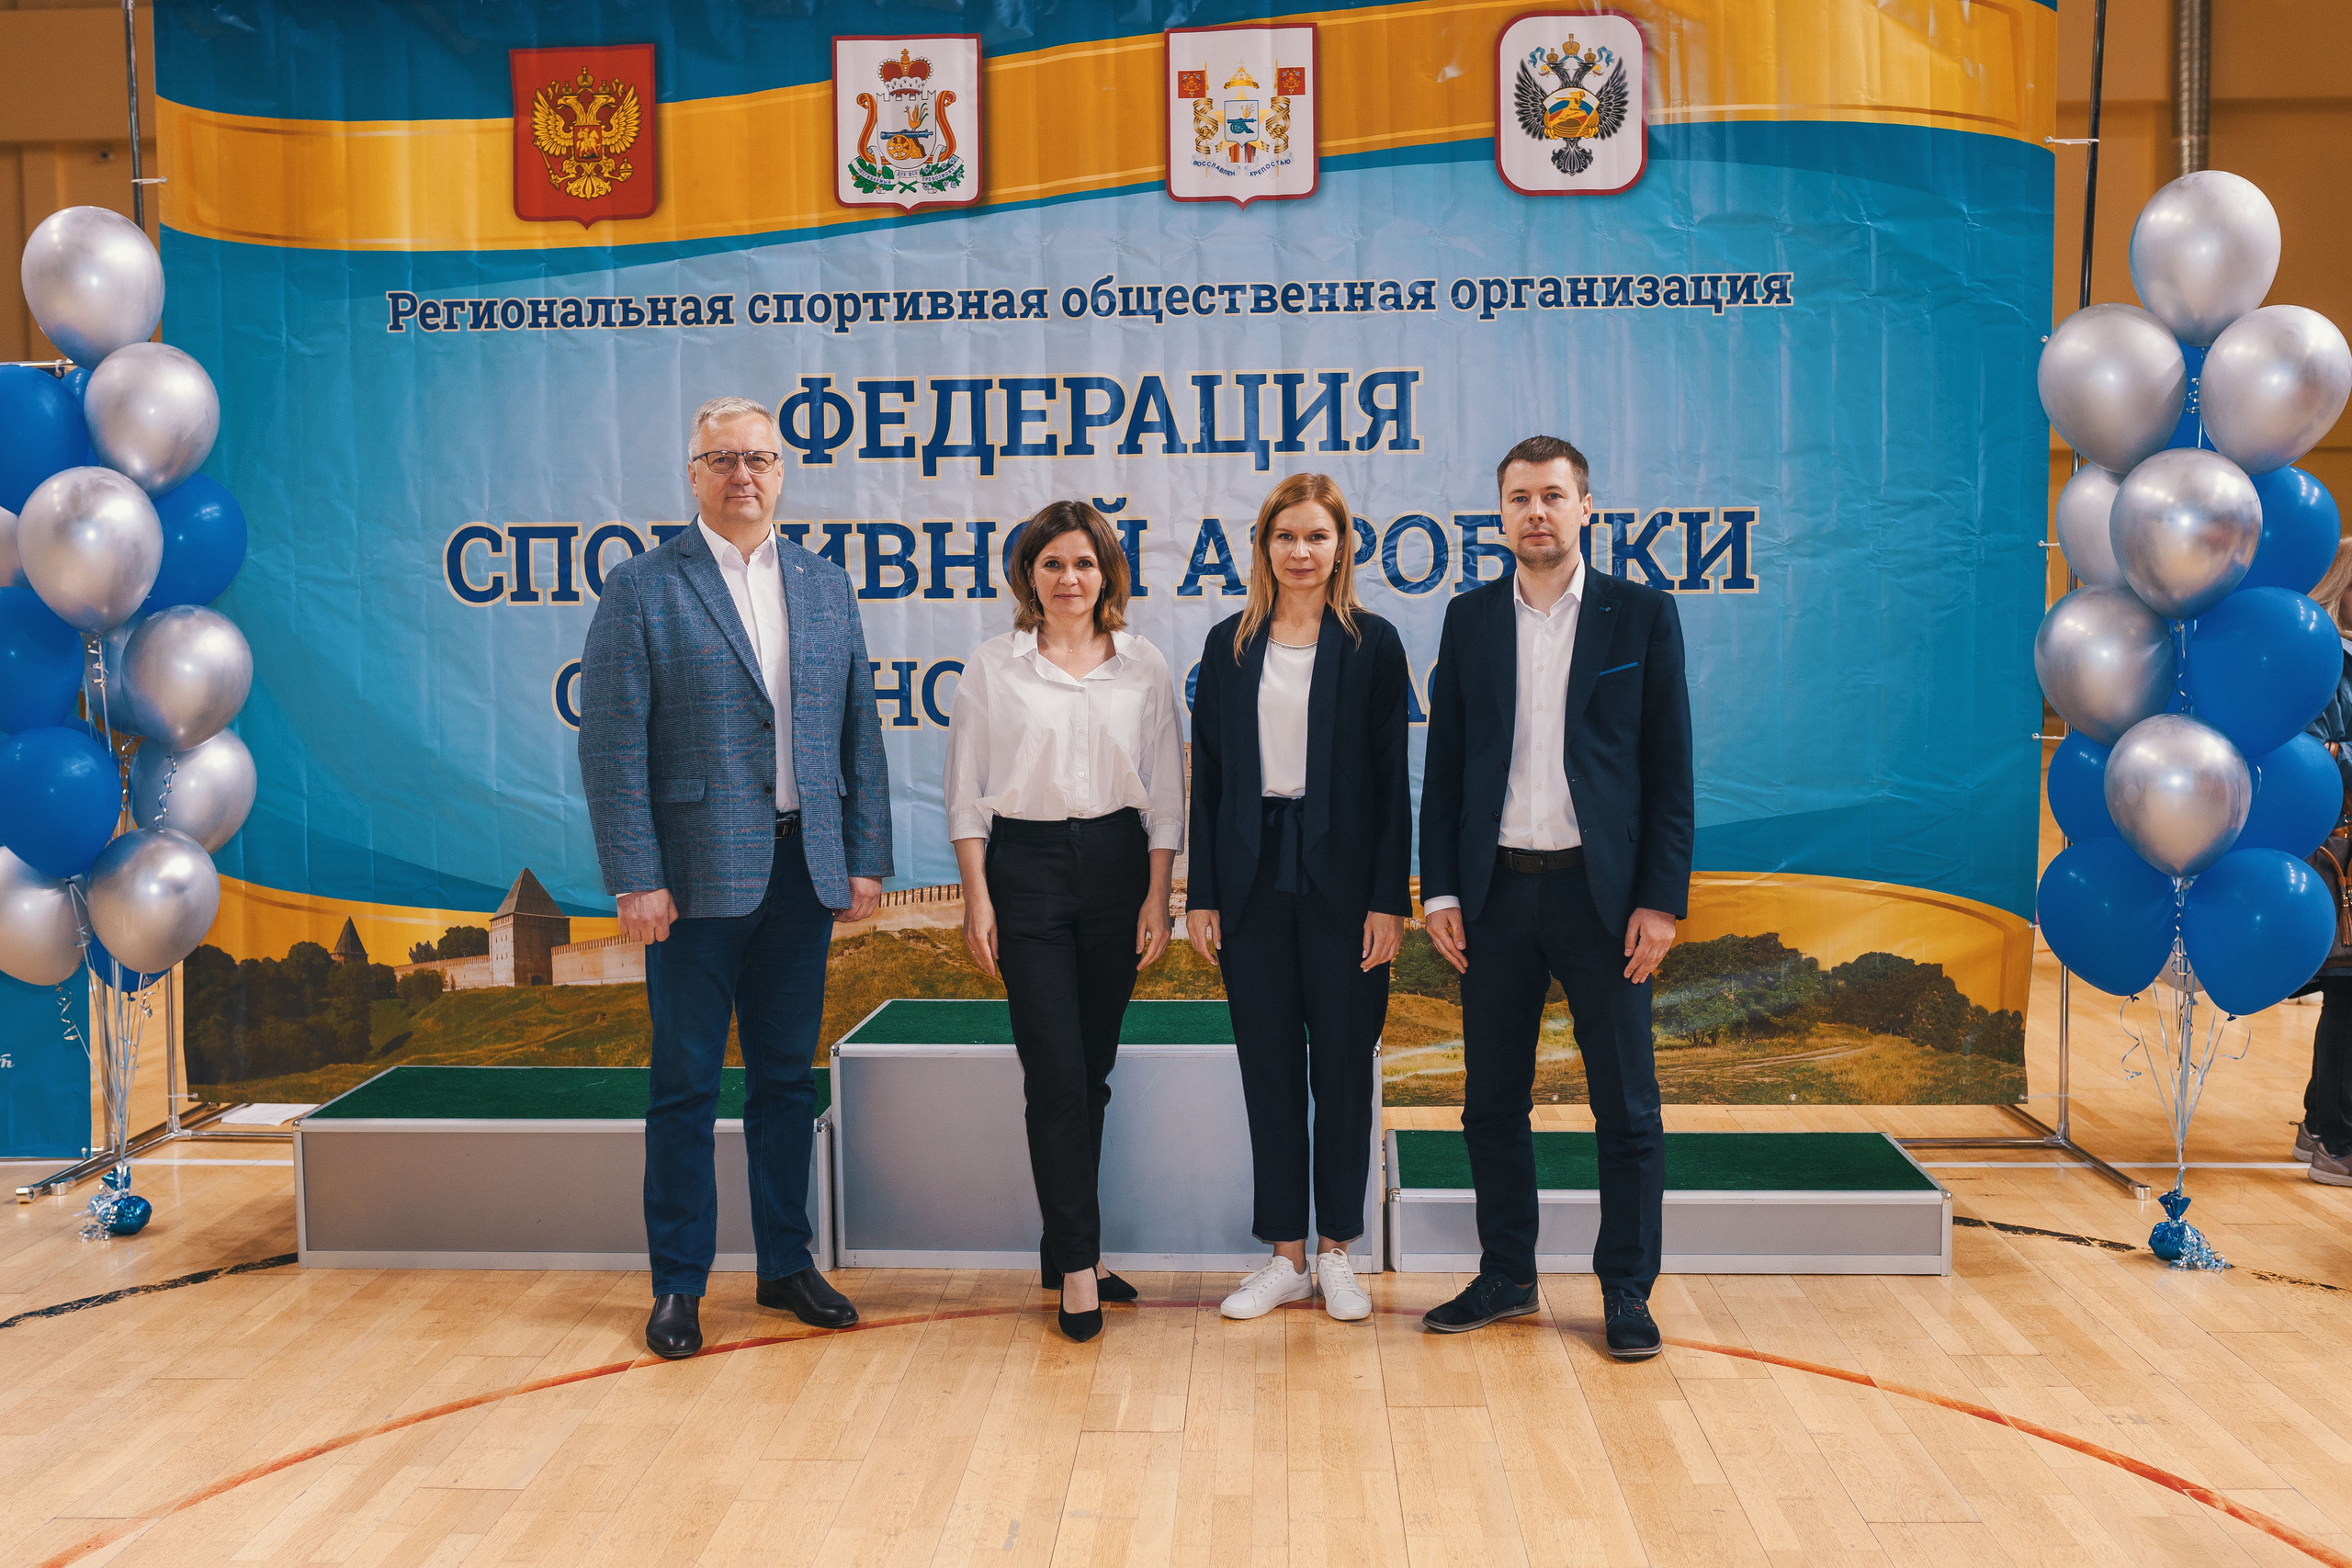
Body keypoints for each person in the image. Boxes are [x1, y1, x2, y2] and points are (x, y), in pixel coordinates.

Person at [580, 395, 892, 1360]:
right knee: (682, 1087)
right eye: (721, 459)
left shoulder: (825, 585)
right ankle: (679, 1286)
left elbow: (858, 734)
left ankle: (786, 1265)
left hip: (805, 871)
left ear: (782, 471)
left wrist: (867, 858)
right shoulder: (641, 587)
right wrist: (636, 875)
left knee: (786, 1085)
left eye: (757, 457)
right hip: (691, 882)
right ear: (692, 473)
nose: (741, 475)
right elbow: (612, 745)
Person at [1417, 434, 1693, 1358]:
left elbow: (1669, 772)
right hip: (1494, 897)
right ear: (1498, 516)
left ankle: (1626, 1289)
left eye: (1552, 496)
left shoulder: (1641, 617)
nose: (1535, 512)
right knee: (1490, 1102)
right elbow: (1446, 769)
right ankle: (1506, 1276)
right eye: (1518, 498)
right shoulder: (1468, 621)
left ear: (1587, 509)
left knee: (1626, 1106)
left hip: (1602, 900)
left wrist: (1659, 900)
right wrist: (1441, 889)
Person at [943, 500, 1184, 1342]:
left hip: (1120, 870)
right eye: (1052, 564)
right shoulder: (992, 666)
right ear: (1028, 576)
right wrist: (979, 896)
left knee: (1091, 1072)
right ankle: (1078, 1268)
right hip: (1027, 871)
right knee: (1053, 1069)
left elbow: (1165, 791)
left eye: (1084, 563)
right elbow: (967, 792)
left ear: (1107, 573)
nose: (1069, 579)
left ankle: (1068, 1244)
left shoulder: (1145, 666)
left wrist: (1159, 895)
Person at [1186, 473, 1411, 1324]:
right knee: (1269, 1070)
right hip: (1249, 884)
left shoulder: (1375, 644)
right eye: (1286, 537)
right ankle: (1284, 1254)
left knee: (1345, 1070)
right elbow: (1208, 775)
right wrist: (1202, 893)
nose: (1302, 552)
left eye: (1318, 536)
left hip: (1347, 889)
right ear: (1263, 546)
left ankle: (1338, 1251)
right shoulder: (1228, 644)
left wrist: (1389, 900)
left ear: (1342, 545)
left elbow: (1393, 785)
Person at [2296, 539, 2352, 1188]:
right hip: (2337, 848)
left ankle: (2321, 1122)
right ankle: (2338, 1140)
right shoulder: (2323, 662)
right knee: (2348, 990)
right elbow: (2318, 751)